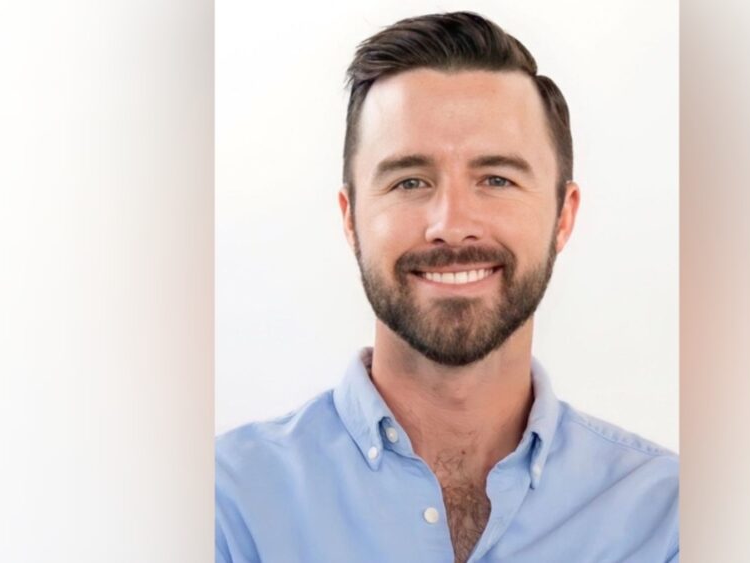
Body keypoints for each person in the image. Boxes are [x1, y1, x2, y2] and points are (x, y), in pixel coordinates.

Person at [216, 11, 678, 563]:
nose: (452, 223)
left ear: (563, 216)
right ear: (350, 217)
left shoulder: (668, 519)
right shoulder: (227, 505)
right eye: (410, 181)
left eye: (497, 179)